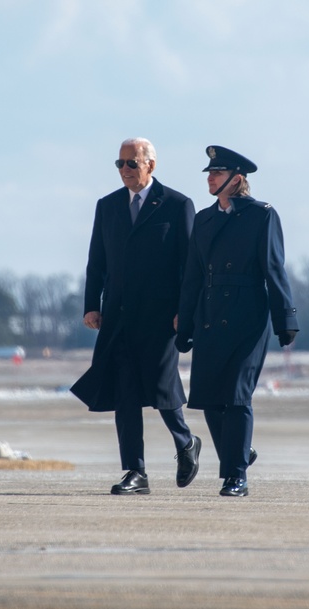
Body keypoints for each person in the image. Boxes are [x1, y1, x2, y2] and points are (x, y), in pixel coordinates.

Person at [71, 138, 201, 495]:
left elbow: (189, 267)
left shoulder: (177, 205)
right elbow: (96, 262)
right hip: (119, 316)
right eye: (120, 164)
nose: (125, 170)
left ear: (151, 165)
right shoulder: (108, 206)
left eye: (132, 163)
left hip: (162, 318)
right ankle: (135, 472)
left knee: (161, 383)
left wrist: (184, 312)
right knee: (125, 391)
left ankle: (185, 441)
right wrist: (91, 305)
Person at [175, 146, 299, 497]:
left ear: (237, 178)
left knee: (237, 398)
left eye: (218, 172)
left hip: (248, 319)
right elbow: (192, 278)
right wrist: (185, 326)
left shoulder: (262, 215)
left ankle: (236, 476)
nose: (210, 178)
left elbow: (274, 267)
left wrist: (285, 318)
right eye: (210, 173)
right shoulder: (203, 219)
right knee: (210, 400)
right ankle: (239, 452)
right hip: (210, 318)